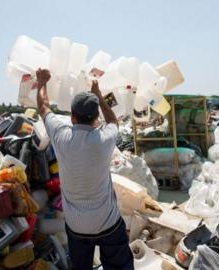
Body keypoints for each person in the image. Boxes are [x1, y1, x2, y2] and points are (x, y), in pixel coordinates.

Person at [35, 68, 134, 270]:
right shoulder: (105, 139)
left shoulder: (61, 136)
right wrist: (98, 95)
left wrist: (42, 81)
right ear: (96, 117)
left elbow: (43, 107)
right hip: (108, 224)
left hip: (76, 227)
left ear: (72, 117)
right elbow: (113, 121)